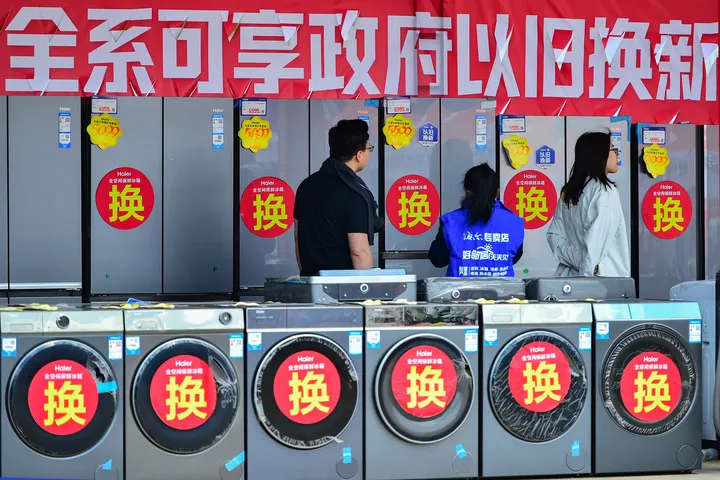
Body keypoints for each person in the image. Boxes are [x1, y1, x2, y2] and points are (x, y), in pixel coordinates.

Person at [294, 119, 383, 276]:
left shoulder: (306, 186)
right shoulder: (355, 194)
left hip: (311, 280)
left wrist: (308, 277)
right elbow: (359, 252)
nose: (369, 153)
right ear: (359, 154)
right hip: (342, 285)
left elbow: (297, 236)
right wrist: (366, 288)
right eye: (369, 148)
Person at [546, 130, 630, 277]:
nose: (617, 154)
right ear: (599, 155)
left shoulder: (570, 191)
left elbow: (554, 236)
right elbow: (595, 243)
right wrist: (585, 267)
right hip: (601, 281)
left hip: (569, 278)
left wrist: (578, 261)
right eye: (613, 149)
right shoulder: (604, 191)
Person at [428, 164, 524, 277]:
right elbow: (514, 257)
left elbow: (438, 260)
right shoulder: (514, 222)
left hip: (461, 288)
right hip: (502, 288)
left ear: (467, 191)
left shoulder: (451, 222)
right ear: (497, 192)